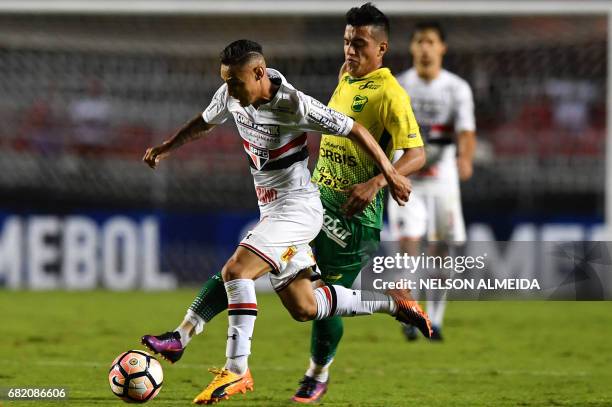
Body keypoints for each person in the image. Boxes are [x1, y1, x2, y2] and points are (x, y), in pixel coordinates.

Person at [142, 39, 431, 405]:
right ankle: (392, 302)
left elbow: (354, 129)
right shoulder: (231, 94)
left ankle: (230, 366)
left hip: (297, 209)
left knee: (236, 272)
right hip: (272, 210)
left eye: (235, 82)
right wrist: (166, 147)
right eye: (226, 82)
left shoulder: (294, 105)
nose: (229, 90)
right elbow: (203, 122)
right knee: (305, 307)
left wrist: (388, 174)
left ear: (259, 73)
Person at [387, 21, 477, 341]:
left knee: (440, 250)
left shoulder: (457, 88)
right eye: (420, 42)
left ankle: (434, 320)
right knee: (408, 246)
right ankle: (410, 315)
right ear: (412, 48)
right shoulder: (398, 86)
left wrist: (465, 157)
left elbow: (466, 132)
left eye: (431, 42)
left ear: (442, 48)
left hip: (442, 180)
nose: (425, 47)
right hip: (405, 177)